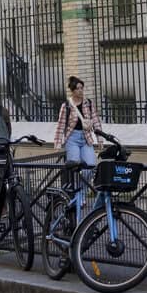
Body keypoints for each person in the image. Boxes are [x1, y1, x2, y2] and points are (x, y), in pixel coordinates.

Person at [52, 76, 100, 220]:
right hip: (72, 139)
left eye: (81, 88)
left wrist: (100, 139)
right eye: (77, 88)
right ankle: (75, 198)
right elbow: (61, 125)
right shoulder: (66, 106)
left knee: (90, 166)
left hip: (85, 138)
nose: (80, 91)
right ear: (72, 91)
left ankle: (82, 194)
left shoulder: (88, 103)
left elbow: (96, 121)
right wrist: (57, 143)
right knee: (75, 167)